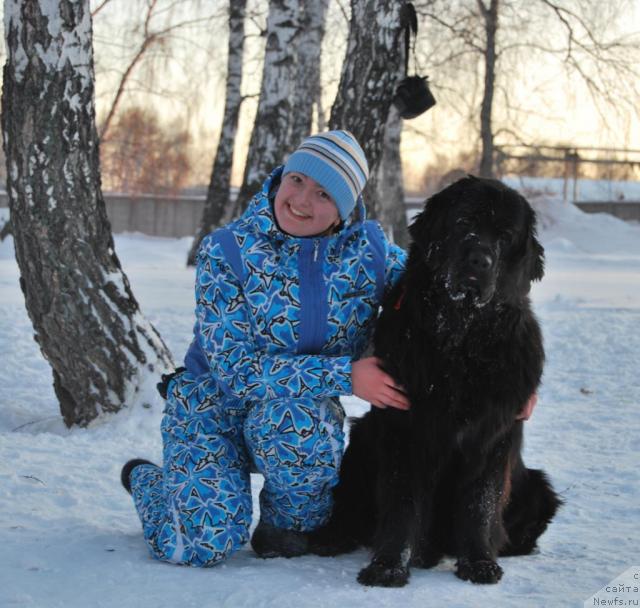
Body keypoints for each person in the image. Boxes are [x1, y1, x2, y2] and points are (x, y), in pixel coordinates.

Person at [121, 130, 410, 567]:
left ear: (343, 212)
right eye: (297, 180)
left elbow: (442, 298)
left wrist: (512, 383)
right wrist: (346, 376)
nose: (302, 200)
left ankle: (282, 525)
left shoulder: (370, 255)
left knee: (297, 430)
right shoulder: (227, 251)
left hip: (292, 419)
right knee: (198, 547)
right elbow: (236, 371)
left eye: (324, 194)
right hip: (211, 406)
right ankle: (149, 481)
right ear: (281, 176)